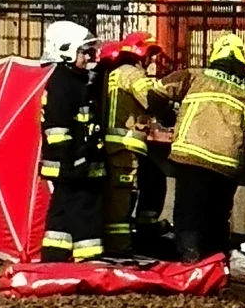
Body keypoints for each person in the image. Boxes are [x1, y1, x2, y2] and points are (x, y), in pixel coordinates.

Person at [158, 33, 245, 263]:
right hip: (227, 163)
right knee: (218, 215)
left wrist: (166, 118)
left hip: (191, 156)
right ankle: (216, 262)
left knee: (188, 212)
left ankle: (190, 259)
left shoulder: (193, 75)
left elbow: (157, 92)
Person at [39, 21, 106, 263]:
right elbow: (57, 130)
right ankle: (89, 260)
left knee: (62, 212)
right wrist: (73, 161)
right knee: (85, 210)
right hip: (73, 163)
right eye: (83, 51)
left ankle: (54, 256)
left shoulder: (76, 80)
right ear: (65, 50)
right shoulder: (63, 84)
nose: (88, 56)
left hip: (74, 162)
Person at [100, 31, 168, 256]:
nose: (153, 60)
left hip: (113, 146)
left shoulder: (114, 73)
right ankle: (119, 250)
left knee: (120, 194)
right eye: (151, 53)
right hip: (124, 147)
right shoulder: (133, 74)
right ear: (141, 52)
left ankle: (123, 241)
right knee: (122, 199)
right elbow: (152, 99)